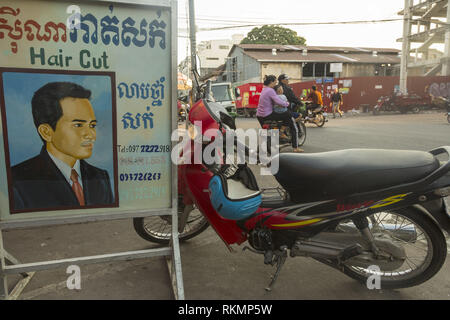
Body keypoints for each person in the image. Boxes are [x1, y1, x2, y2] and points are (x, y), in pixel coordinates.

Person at [11, 82, 114, 211]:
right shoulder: (17, 181)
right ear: (46, 132)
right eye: (78, 125)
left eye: (92, 125)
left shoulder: (100, 177)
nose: (91, 135)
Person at [256, 75, 303, 153]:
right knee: (289, 115)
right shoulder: (271, 90)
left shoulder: (264, 90)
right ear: (271, 82)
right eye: (275, 82)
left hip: (260, 116)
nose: (276, 83)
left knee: (267, 132)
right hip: (268, 115)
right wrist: (287, 104)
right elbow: (278, 101)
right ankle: (293, 146)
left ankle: (263, 147)